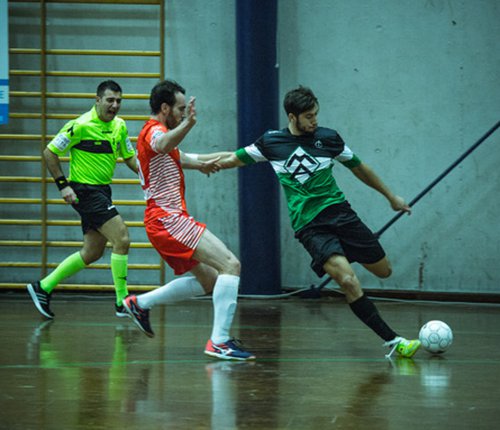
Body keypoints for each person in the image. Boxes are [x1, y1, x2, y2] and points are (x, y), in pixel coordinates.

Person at [215, 86, 421, 359]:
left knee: (384, 271)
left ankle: (341, 253)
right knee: (348, 280)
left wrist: (391, 197)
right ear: (292, 116)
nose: (314, 121)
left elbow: (360, 167)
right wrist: (195, 162)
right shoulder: (272, 142)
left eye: (316, 115)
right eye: (309, 116)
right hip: (310, 226)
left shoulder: (329, 138)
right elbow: (233, 158)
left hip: (342, 215)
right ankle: (394, 341)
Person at [122, 79, 255, 361]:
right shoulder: (152, 132)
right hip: (168, 220)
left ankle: (140, 303)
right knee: (231, 264)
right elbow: (162, 142)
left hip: (164, 223)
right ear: (165, 107)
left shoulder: (165, 144)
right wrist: (189, 124)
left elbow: (200, 159)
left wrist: (252, 154)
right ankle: (219, 341)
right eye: (180, 109)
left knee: (210, 280)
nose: (183, 113)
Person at [27, 80, 138, 319]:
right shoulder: (80, 125)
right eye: (110, 100)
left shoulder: (120, 126)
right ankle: (122, 301)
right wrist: (62, 185)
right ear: (97, 100)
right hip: (85, 191)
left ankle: (43, 287)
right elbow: (50, 152)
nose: (115, 105)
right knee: (123, 238)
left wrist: (148, 175)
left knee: (92, 252)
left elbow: (129, 157)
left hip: (102, 191)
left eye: (118, 101)